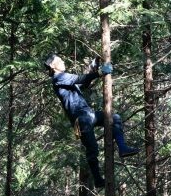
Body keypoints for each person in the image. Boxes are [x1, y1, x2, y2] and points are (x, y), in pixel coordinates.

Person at [44, 53, 139, 188]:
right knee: (92, 149)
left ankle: (122, 148)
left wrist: (93, 69)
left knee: (115, 118)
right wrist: (99, 73)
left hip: (89, 114)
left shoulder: (64, 79)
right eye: (60, 61)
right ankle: (98, 179)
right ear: (53, 66)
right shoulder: (58, 78)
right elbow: (80, 78)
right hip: (81, 120)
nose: (63, 62)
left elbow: (84, 83)